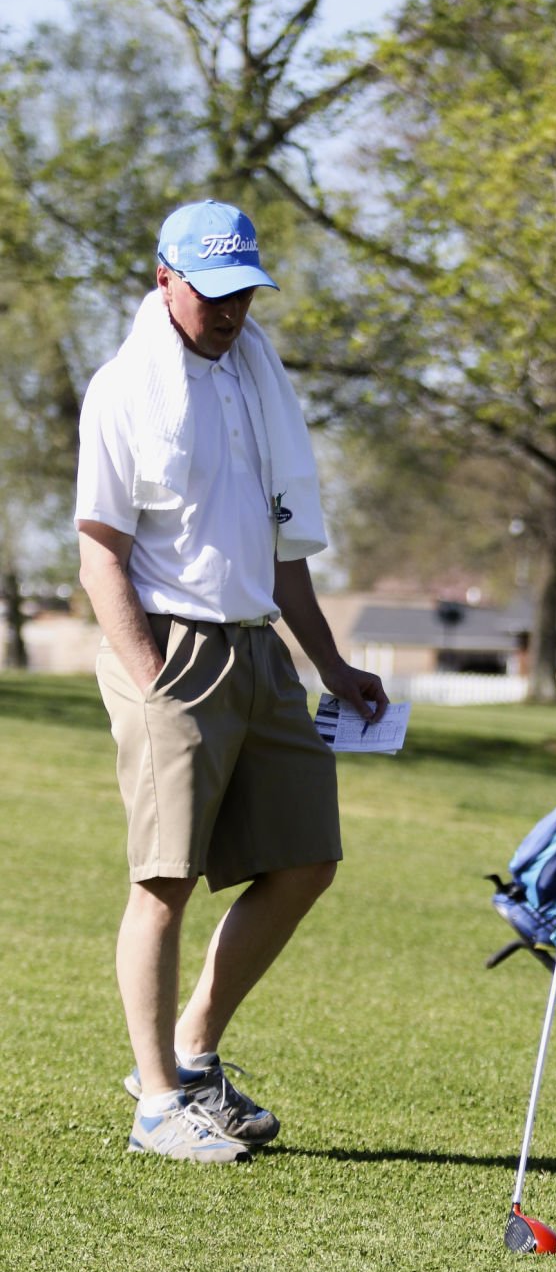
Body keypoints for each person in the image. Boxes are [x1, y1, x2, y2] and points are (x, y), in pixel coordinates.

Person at [76, 199, 388, 1163]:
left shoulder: (258, 382)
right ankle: (158, 1104)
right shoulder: (123, 388)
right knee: (163, 880)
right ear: (165, 277)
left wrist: (330, 662)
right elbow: (99, 553)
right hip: (170, 650)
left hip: (258, 650)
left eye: (243, 291)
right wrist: (150, 673)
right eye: (211, 291)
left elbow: (282, 549)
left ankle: (193, 1053)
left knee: (306, 860)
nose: (230, 310)